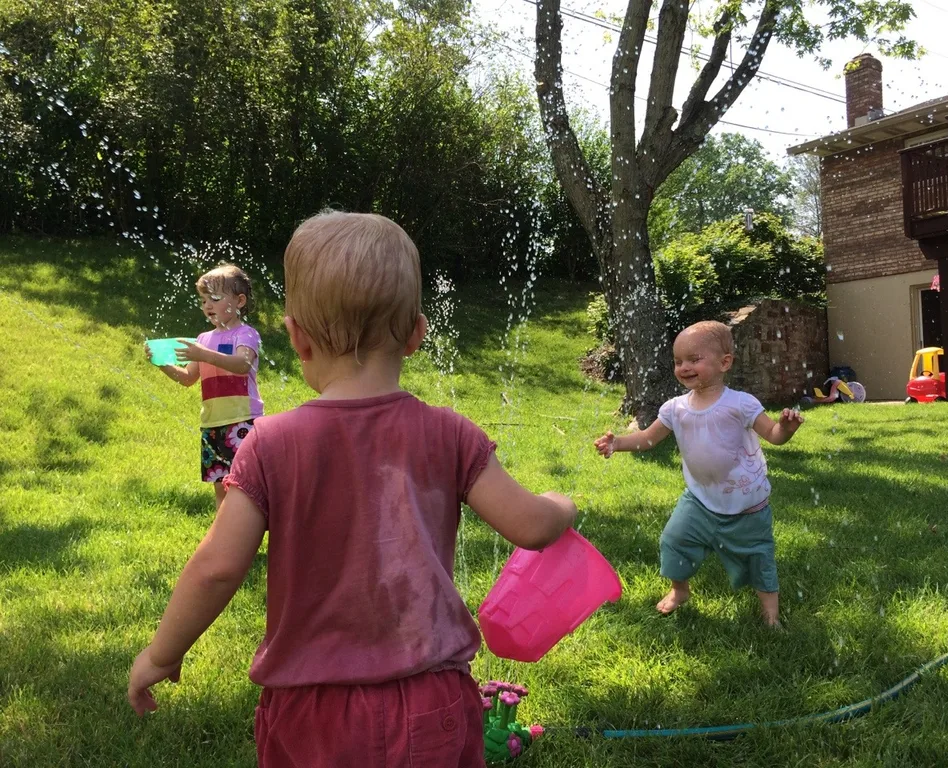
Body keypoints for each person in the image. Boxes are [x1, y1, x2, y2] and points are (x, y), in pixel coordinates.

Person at [128, 211, 578, 767]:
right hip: (432, 700)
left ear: (297, 338)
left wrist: (162, 652)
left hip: (310, 709)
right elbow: (532, 526)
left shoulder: (269, 443)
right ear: (416, 333)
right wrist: (564, 504)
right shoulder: (449, 432)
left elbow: (217, 567)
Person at [594, 320, 803, 627]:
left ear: (724, 363)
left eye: (694, 359)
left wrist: (785, 428)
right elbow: (648, 438)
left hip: (747, 505)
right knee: (673, 540)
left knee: (759, 556)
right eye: (678, 361)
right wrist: (619, 444)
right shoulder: (674, 408)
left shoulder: (741, 404)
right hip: (700, 500)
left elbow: (772, 434)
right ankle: (680, 590)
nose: (684, 367)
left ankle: (770, 615)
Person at [146, 263, 263, 509]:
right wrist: (161, 363)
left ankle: (247, 532)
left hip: (242, 420)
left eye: (215, 298)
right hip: (211, 422)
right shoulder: (203, 339)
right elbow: (188, 378)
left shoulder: (245, 334)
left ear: (239, 301)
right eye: (203, 300)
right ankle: (225, 537)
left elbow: (242, 364)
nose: (208, 305)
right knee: (220, 484)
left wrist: (204, 355)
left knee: (244, 483)